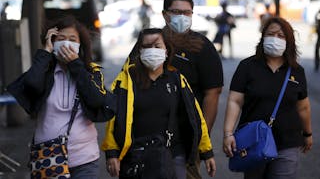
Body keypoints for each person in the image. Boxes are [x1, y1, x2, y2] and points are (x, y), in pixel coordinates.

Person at [7, 15, 116, 178]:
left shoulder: (91, 73)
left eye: (72, 39)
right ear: (52, 41)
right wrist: (45, 51)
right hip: (48, 157)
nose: (66, 42)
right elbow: (31, 85)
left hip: (84, 159)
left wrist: (75, 65)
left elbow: (96, 100)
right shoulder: (45, 70)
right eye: (61, 38)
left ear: (80, 45)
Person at [101, 28, 216, 179]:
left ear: (166, 51)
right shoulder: (126, 80)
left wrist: (206, 152)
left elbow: (195, 117)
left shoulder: (176, 79)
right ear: (139, 51)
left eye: (157, 46)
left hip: (173, 155)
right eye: (147, 47)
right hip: (136, 157)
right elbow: (113, 118)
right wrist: (112, 153)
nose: (152, 51)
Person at [223, 17, 313, 179]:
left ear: (289, 41)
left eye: (281, 36)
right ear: (263, 37)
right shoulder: (247, 66)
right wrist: (228, 133)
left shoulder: (296, 71)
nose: (275, 39)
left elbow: (303, 107)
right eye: (271, 34)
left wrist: (307, 134)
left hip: (287, 143)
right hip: (253, 142)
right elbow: (235, 101)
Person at [161, 0, 223, 179]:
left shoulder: (202, 46)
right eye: (176, 12)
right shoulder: (150, 42)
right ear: (165, 15)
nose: (182, 17)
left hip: (187, 138)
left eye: (187, 13)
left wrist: (201, 139)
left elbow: (213, 94)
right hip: (151, 136)